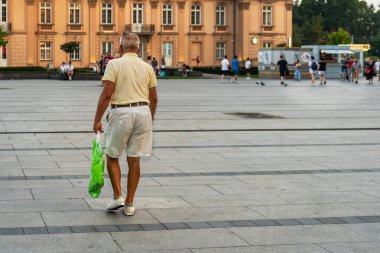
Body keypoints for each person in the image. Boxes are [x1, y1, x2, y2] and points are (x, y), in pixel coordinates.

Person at [93, 33, 158, 216]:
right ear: (138, 48)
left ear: (121, 48)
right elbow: (154, 97)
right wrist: (149, 118)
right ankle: (130, 204)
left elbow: (107, 94)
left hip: (121, 112)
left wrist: (97, 119)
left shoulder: (114, 64)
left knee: (112, 155)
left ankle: (118, 197)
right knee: (134, 158)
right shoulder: (147, 67)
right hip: (143, 112)